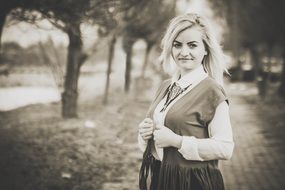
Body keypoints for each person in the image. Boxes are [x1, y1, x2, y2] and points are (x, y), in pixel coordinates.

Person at [138, 13, 234, 190]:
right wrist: (145, 134)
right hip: (162, 178)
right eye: (177, 45)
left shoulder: (212, 91)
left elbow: (225, 148)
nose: (184, 52)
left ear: (205, 49)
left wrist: (177, 141)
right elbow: (161, 136)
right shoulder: (165, 86)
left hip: (193, 182)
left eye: (192, 45)